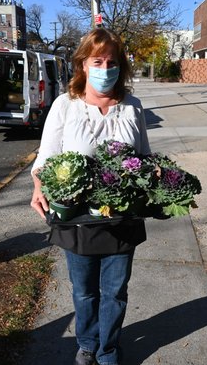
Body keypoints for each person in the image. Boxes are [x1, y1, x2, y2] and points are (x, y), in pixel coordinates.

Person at [30, 27, 151, 365]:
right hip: (78, 220)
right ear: (83, 64)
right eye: (97, 60)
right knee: (85, 292)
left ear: (121, 66)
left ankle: (108, 349)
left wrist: (160, 182)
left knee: (115, 292)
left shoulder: (132, 107)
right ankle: (86, 344)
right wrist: (38, 188)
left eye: (112, 61)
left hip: (122, 219)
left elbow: (144, 157)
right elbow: (46, 158)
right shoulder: (65, 106)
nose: (105, 67)